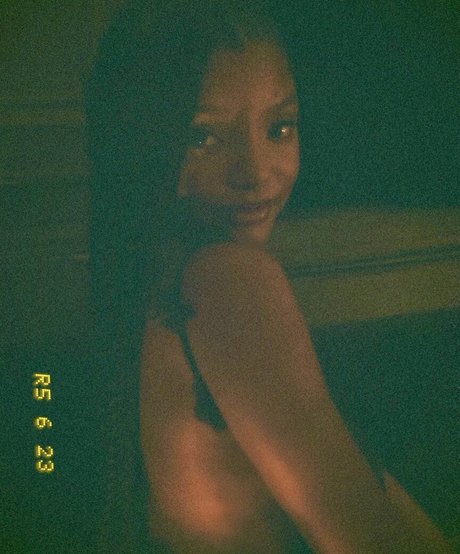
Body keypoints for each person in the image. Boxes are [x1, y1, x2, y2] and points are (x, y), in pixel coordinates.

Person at [85, 1, 453, 552]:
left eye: (280, 127)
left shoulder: (148, 273)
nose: (255, 173)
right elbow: (363, 539)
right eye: (201, 137)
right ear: (139, 142)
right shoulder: (226, 279)